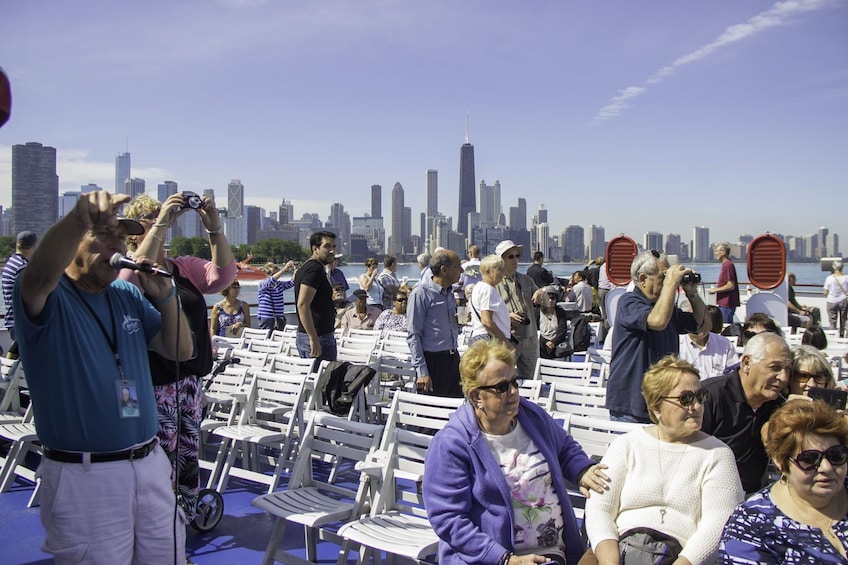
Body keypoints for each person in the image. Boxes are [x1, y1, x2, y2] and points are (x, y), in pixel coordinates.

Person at [14, 190, 194, 563]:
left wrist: (167, 298)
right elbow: (42, 270)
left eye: (121, 237)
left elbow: (179, 351)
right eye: (104, 234)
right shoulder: (48, 293)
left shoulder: (126, 293)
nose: (118, 245)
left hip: (149, 463)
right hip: (85, 476)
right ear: (71, 244)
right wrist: (80, 218)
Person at [423, 340, 610, 565]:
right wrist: (504, 559)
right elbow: (448, 519)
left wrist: (582, 470)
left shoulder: (531, 417)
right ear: (476, 397)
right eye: (501, 387)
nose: (512, 392)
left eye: (515, 382)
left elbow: (565, 448)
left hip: (554, 552)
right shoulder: (452, 444)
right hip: (493, 559)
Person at [121, 192, 236, 524]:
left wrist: (213, 228)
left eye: (162, 217)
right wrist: (160, 223)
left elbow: (223, 276)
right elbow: (132, 279)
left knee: (185, 454)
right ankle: (150, 521)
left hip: (186, 383)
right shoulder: (125, 265)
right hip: (147, 383)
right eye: (148, 219)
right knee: (152, 456)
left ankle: (181, 516)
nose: (160, 222)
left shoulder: (181, 267)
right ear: (132, 231)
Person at [585, 356, 743, 565]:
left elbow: (716, 525)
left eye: (700, 396)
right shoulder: (626, 445)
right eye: (686, 399)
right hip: (618, 550)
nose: (696, 406)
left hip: (682, 556)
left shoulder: (717, 454)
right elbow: (599, 510)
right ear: (657, 407)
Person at [719, 400, 848, 563]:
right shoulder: (751, 524)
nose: (826, 467)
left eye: (836, 455)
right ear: (781, 462)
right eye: (809, 459)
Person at [605, 250, 708, 423]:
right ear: (643, 279)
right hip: (632, 402)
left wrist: (692, 293)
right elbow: (657, 320)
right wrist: (671, 284)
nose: (669, 283)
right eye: (663, 277)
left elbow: (704, 325)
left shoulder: (667, 309)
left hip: (664, 400)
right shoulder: (628, 302)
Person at [700, 332, 791, 494]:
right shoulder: (710, 397)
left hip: (756, 496)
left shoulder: (778, 406)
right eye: (775, 368)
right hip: (707, 493)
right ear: (747, 363)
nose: (783, 377)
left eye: (787, 369)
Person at [407, 249, 463, 397]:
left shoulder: (449, 293)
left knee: (456, 410)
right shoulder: (421, 294)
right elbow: (413, 335)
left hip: (453, 358)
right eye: (457, 266)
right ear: (444, 269)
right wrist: (422, 371)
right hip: (433, 362)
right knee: (431, 414)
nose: (462, 270)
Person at [495, 240, 541, 379]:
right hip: (507, 339)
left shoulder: (526, 279)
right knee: (503, 378)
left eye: (517, 256)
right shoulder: (494, 283)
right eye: (510, 257)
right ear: (501, 260)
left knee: (531, 378)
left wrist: (542, 293)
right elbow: (485, 314)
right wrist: (507, 316)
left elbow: (544, 302)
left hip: (529, 335)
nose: (515, 260)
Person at [295, 230, 338, 362]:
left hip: (312, 336)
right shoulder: (314, 270)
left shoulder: (308, 268)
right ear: (315, 248)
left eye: (333, 247)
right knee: (324, 381)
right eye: (327, 246)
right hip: (318, 337)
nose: (331, 251)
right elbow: (302, 304)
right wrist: (313, 338)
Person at [679, 306, 739, 379]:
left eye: (702, 322)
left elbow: (734, 373)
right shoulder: (677, 344)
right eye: (692, 322)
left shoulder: (725, 344)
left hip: (717, 389)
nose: (697, 326)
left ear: (709, 324)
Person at [468, 254, 514, 347]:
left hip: (481, 337)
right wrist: (506, 342)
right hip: (489, 339)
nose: (503, 272)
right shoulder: (487, 290)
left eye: (503, 269)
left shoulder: (478, 287)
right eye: (499, 269)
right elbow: (486, 321)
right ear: (488, 271)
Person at [2, 230, 37, 346]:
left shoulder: (11, 263)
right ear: (33, 247)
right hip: (22, 324)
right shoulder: (23, 267)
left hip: (13, 321)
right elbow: (28, 298)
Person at [256, 260, 296, 333]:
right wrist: (284, 269)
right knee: (266, 336)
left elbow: (291, 282)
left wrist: (295, 271)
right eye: (272, 273)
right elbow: (272, 280)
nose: (276, 275)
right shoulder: (263, 284)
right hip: (266, 316)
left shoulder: (279, 284)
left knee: (279, 336)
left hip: (279, 317)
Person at [707, 243, 740, 324]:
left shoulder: (728, 265)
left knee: (726, 325)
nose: (715, 253)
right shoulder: (727, 264)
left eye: (717, 251)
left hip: (727, 303)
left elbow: (731, 285)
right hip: (725, 303)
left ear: (724, 252)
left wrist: (715, 290)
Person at [536, 285, 570, 360]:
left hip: (557, 343)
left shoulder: (560, 312)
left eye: (553, 298)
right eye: (548, 298)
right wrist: (546, 342)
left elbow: (562, 330)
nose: (550, 301)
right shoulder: (537, 312)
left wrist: (553, 342)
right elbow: (536, 330)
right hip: (541, 343)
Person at [823, 258, 848, 338]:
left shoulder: (829, 278)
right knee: (843, 320)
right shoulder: (846, 278)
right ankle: (842, 336)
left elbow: (825, 292)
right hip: (843, 300)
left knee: (832, 321)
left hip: (831, 301)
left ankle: (832, 336)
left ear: (834, 267)